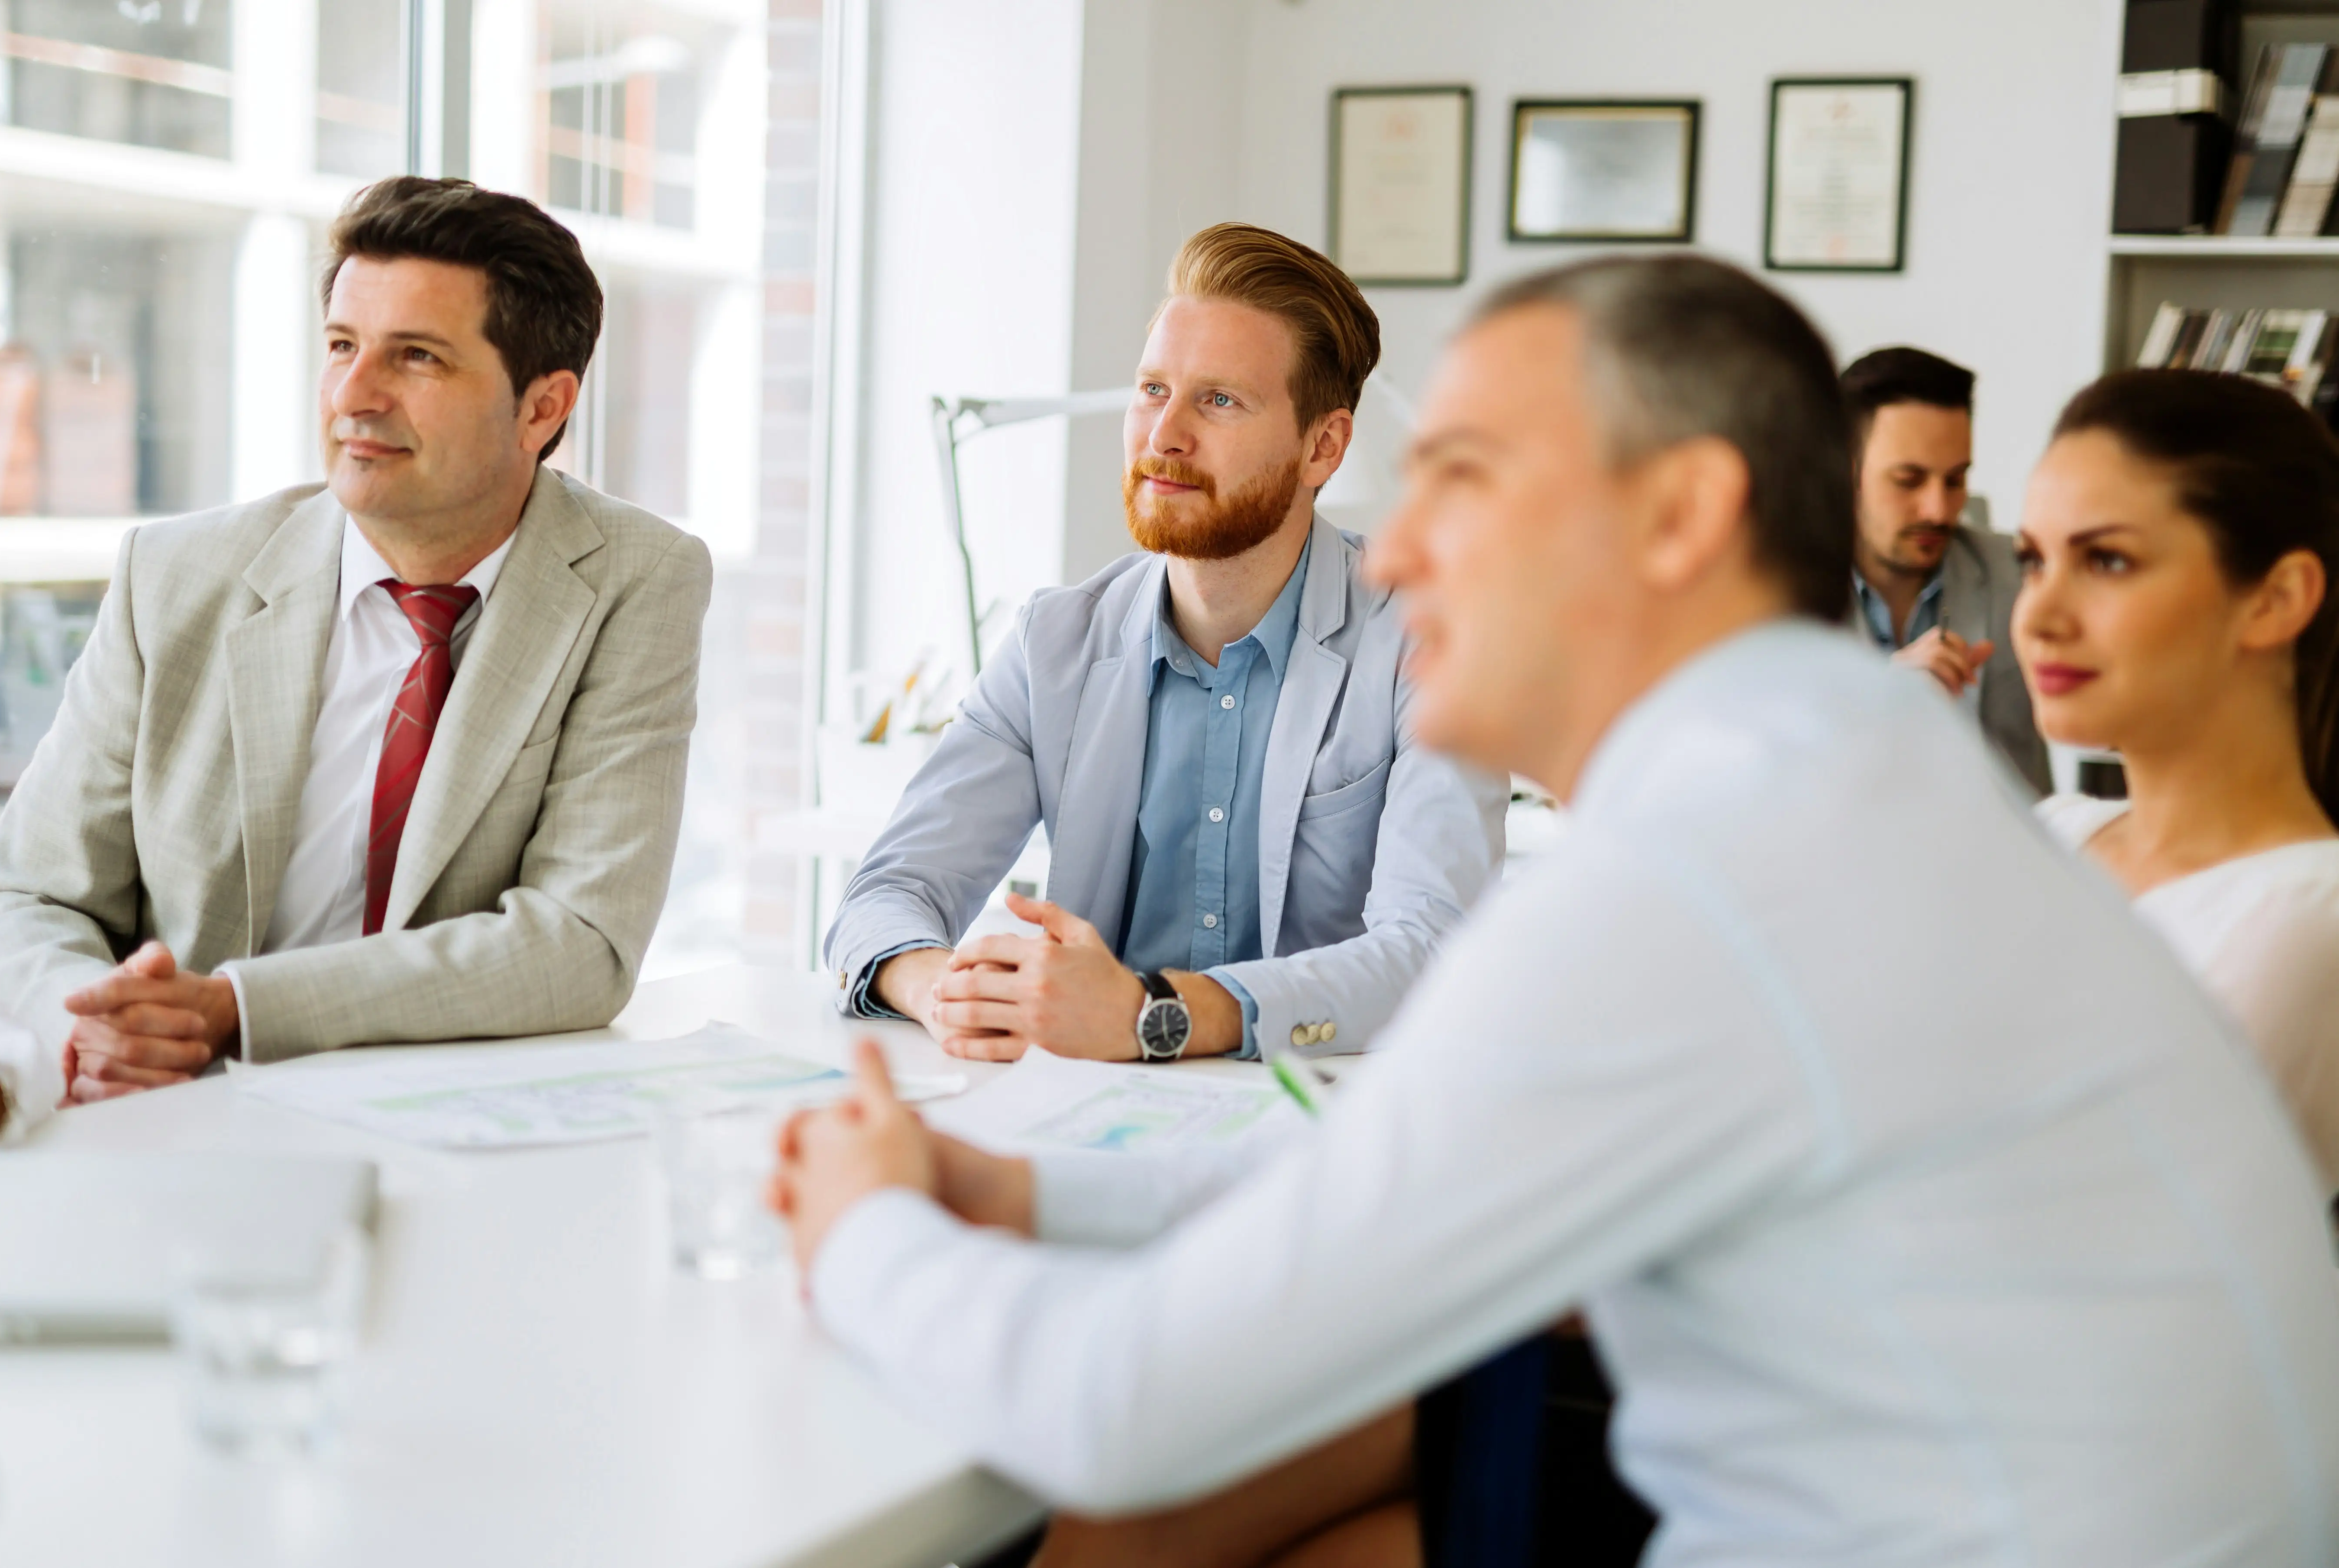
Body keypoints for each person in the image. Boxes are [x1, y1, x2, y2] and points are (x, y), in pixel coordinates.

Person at [774, 255, 2339, 1568]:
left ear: (1675, 517)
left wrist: (860, 1229)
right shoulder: (1830, 775)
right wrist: (1013, 1194)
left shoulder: (1701, 877)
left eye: (1459, 477)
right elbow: (1371, 1166)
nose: (1391, 545)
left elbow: (1110, 1407)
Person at [0, 177, 712, 1139]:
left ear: (542, 408)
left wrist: (238, 1006)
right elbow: (31, 891)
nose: (352, 396)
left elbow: (580, 941)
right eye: (340, 346)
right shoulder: (176, 574)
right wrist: (100, 1021)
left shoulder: (639, 578)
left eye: (415, 357)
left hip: (456, 1135)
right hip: (164, 1116)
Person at [825, 223, 1504, 1065]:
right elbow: (885, 897)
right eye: (1152, 389)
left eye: (1219, 401)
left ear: (1322, 447)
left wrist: (1161, 1014)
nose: (1164, 437)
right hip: (1097, 1117)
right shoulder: (1055, 641)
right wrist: (945, 990)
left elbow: (1429, 952)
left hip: (1328, 1123)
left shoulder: (1428, 639)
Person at [2018, 368, 2339, 1199]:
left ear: (2274, 599)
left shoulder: (2305, 922)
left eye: (2107, 560)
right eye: (2032, 561)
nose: (2039, 615)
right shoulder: (2051, 828)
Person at [1842, 346, 2052, 794]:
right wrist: (1880, 701)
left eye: (1955, 480)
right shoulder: (1773, 594)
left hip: (1998, 855)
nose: (1939, 511)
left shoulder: (2023, 576)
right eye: (1908, 481)